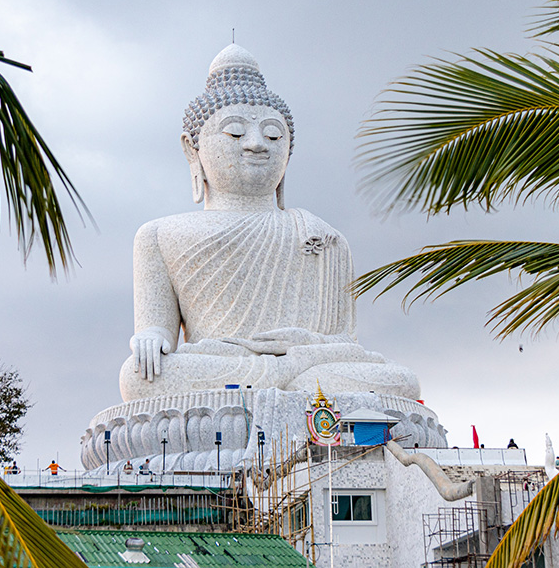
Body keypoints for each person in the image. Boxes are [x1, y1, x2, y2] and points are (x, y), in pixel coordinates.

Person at [119, 44, 420, 402]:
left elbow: (344, 342)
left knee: (401, 381)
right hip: (224, 365)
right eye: (234, 132)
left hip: (312, 366)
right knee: (139, 376)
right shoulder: (158, 236)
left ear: (288, 150)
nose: (257, 144)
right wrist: (152, 337)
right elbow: (159, 331)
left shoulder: (324, 237)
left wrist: (302, 348)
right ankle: (294, 393)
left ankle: (289, 389)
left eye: (274, 135)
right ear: (191, 148)